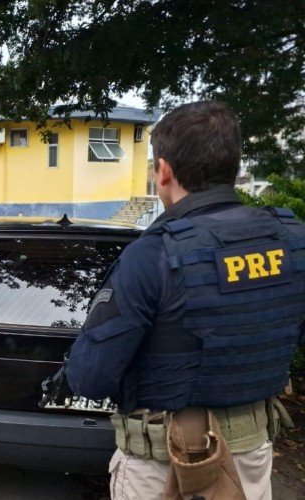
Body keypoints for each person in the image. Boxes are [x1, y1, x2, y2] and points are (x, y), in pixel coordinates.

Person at [63, 100, 303, 499]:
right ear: (233, 165)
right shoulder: (293, 241)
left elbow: (90, 377)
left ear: (164, 171)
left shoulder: (152, 255)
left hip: (162, 467)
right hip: (249, 458)